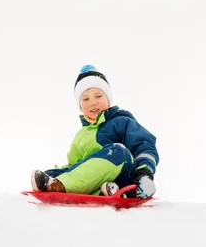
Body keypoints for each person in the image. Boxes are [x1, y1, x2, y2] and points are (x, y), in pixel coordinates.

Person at [31, 65, 159, 199]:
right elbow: (74, 165)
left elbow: (144, 145)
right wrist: (56, 173)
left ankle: (61, 186)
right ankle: (108, 189)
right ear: (80, 106)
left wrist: (145, 173)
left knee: (117, 152)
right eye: (86, 99)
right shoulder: (81, 135)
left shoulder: (121, 121)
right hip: (94, 183)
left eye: (98, 96)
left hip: (125, 175)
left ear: (108, 100)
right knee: (52, 172)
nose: (93, 103)